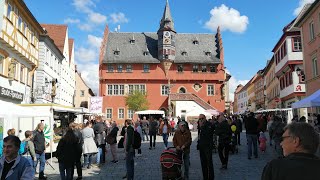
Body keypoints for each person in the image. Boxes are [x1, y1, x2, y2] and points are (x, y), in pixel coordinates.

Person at [197, 114, 214, 180]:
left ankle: (211, 178)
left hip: (208, 147)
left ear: (205, 118)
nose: (201, 120)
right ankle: (205, 177)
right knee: (203, 163)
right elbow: (199, 136)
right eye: (200, 119)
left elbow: (208, 134)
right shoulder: (200, 125)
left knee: (209, 163)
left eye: (202, 118)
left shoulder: (209, 125)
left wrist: (201, 127)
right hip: (201, 147)